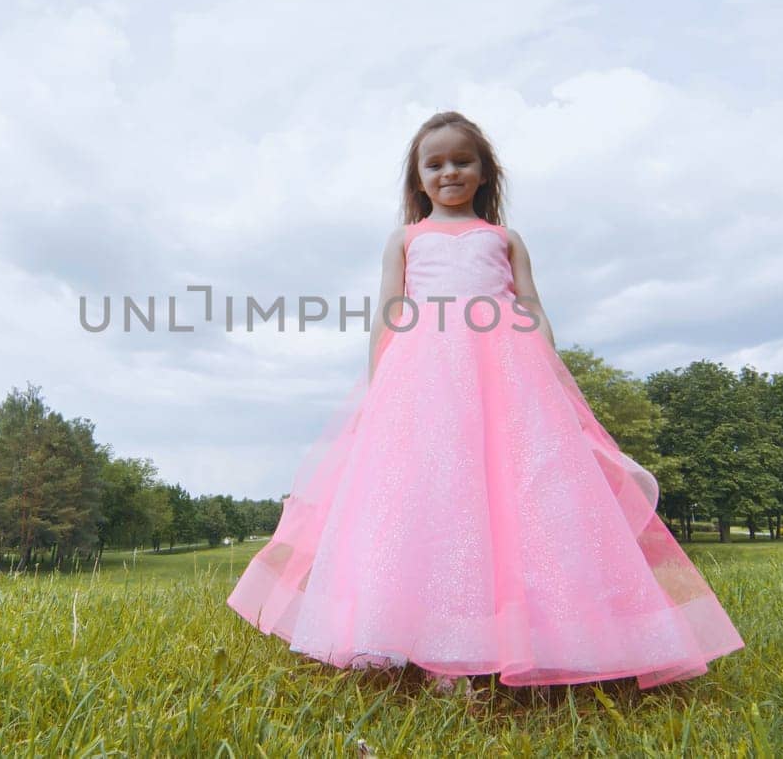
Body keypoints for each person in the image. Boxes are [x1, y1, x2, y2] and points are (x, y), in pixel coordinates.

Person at [225, 111, 746, 689]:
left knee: (516, 493)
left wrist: (546, 366)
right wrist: (380, 385)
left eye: (462, 161)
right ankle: (427, 640)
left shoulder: (505, 239)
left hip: (505, 374)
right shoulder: (405, 239)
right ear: (419, 179)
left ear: (484, 172)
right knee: (431, 497)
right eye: (436, 163)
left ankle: (535, 637)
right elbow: (390, 312)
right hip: (424, 377)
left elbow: (531, 307)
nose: (450, 171)